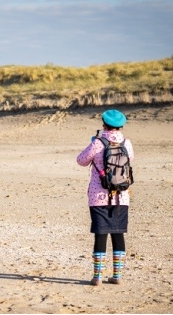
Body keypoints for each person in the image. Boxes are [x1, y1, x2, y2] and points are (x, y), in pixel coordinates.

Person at [77, 109, 134, 286]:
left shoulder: (98, 143)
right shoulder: (126, 143)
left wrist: (93, 143)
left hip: (98, 196)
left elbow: (81, 160)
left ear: (104, 124)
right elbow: (129, 161)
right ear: (121, 125)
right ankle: (117, 276)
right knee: (118, 235)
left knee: (100, 235)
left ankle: (98, 277)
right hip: (121, 196)